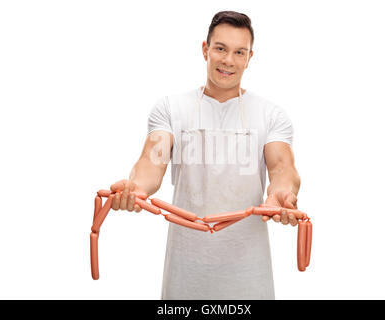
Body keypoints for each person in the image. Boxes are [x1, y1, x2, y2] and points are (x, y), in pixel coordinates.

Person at [109, 11, 301, 300]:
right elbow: (151, 160)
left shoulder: (271, 115)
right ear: (205, 50)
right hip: (186, 275)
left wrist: (283, 195)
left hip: (250, 278)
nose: (228, 60)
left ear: (249, 58)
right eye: (220, 48)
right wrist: (134, 188)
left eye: (239, 52)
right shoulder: (171, 108)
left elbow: (282, 167)